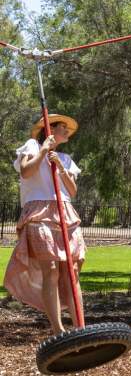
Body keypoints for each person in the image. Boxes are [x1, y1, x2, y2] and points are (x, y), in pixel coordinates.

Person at [3, 114, 86, 335]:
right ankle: (58, 329)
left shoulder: (66, 158)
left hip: (65, 212)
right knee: (50, 268)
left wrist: (59, 166)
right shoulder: (31, 145)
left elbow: (72, 191)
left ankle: (81, 328)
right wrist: (43, 151)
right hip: (39, 212)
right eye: (62, 126)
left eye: (68, 127)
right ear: (49, 129)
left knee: (72, 271)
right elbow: (26, 171)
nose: (67, 130)